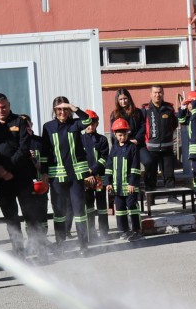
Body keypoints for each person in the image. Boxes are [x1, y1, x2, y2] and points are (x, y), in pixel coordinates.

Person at [0, 92, 46, 260]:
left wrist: (7, 168)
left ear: (9, 105)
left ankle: (37, 248)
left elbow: (24, 148)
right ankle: (19, 252)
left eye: (4, 107)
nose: (1, 110)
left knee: (30, 214)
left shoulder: (20, 122)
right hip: (1, 179)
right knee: (11, 217)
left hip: (22, 175)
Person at [40, 97, 92, 255]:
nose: (62, 112)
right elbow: (44, 151)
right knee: (59, 213)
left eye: (65, 109)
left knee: (79, 212)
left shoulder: (75, 124)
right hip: (57, 177)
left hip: (75, 176)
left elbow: (88, 120)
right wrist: (43, 172)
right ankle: (60, 245)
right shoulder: (48, 127)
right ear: (54, 110)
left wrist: (73, 107)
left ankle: (84, 246)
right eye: (59, 109)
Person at [106, 118, 143, 242]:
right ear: (115, 135)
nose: (122, 137)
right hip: (117, 186)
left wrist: (132, 183)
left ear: (128, 133)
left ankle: (137, 230)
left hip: (129, 186)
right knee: (120, 209)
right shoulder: (114, 149)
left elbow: (135, 167)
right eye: (120, 135)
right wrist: (108, 182)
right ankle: (124, 231)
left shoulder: (132, 148)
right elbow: (109, 167)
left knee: (132, 207)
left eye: (124, 134)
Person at [139, 85, 177, 190]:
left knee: (169, 174)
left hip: (167, 148)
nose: (157, 95)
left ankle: (172, 196)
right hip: (151, 149)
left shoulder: (169, 108)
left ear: (163, 94)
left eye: (160, 92)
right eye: (155, 93)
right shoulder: (145, 109)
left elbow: (174, 124)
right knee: (150, 175)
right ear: (150, 94)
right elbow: (142, 127)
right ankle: (151, 198)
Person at [82, 110, 111, 238]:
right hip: (86, 178)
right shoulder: (79, 139)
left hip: (99, 177)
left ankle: (104, 231)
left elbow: (104, 158)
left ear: (97, 124)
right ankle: (91, 232)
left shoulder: (102, 139)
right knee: (88, 204)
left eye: (93, 123)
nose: (90, 126)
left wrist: (92, 170)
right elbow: (78, 158)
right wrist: (86, 174)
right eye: (87, 124)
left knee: (101, 205)